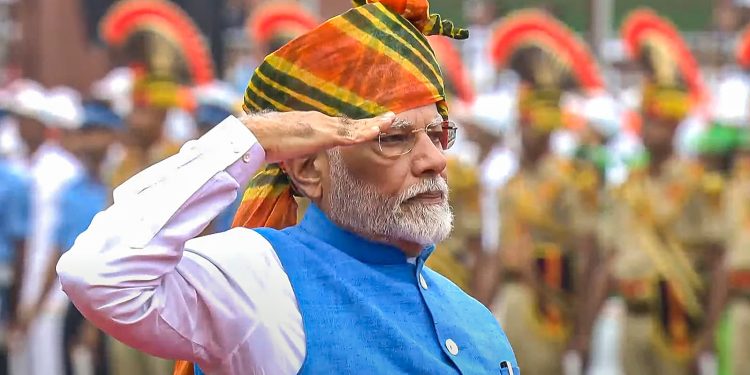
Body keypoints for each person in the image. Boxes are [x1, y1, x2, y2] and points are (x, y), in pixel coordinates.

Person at [57, 1, 519, 375]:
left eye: (438, 135)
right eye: (394, 138)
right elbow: (97, 272)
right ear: (309, 172)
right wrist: (253, 137)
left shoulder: (477, 322)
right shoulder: (263, 285)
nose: (435, 160)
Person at [474, 10, 607, 375]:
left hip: (550, 308)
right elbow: (494, 254)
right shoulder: (507, 177)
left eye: (539, 120)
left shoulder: (572, 180)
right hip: (509, 304)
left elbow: (589, 257)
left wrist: (583, 333)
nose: (530, 129)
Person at [97, 1, 221, 373]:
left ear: (163, 111)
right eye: (132, 110)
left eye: (142, 110)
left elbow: (204, 230)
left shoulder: (181, 159)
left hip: (170, 296)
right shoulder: (120, 164)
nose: (133, 120)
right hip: (122, 293)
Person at [606, 9, 725, 374]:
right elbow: (607, 256)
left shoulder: (697, 184)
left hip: (677, 320)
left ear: (674, 124)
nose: (646, 127)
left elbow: (718, 259)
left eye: (655, 119)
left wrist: (708, 332)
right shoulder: (629, 185)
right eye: (644, 117)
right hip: (631, 318)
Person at [7, 82, 83, 375]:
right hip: (22, 285)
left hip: (52, 292)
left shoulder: (62, 168)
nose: (19, 125)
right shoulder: (20, 164)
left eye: (26, 119)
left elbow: (60, 238)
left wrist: (38, 296)